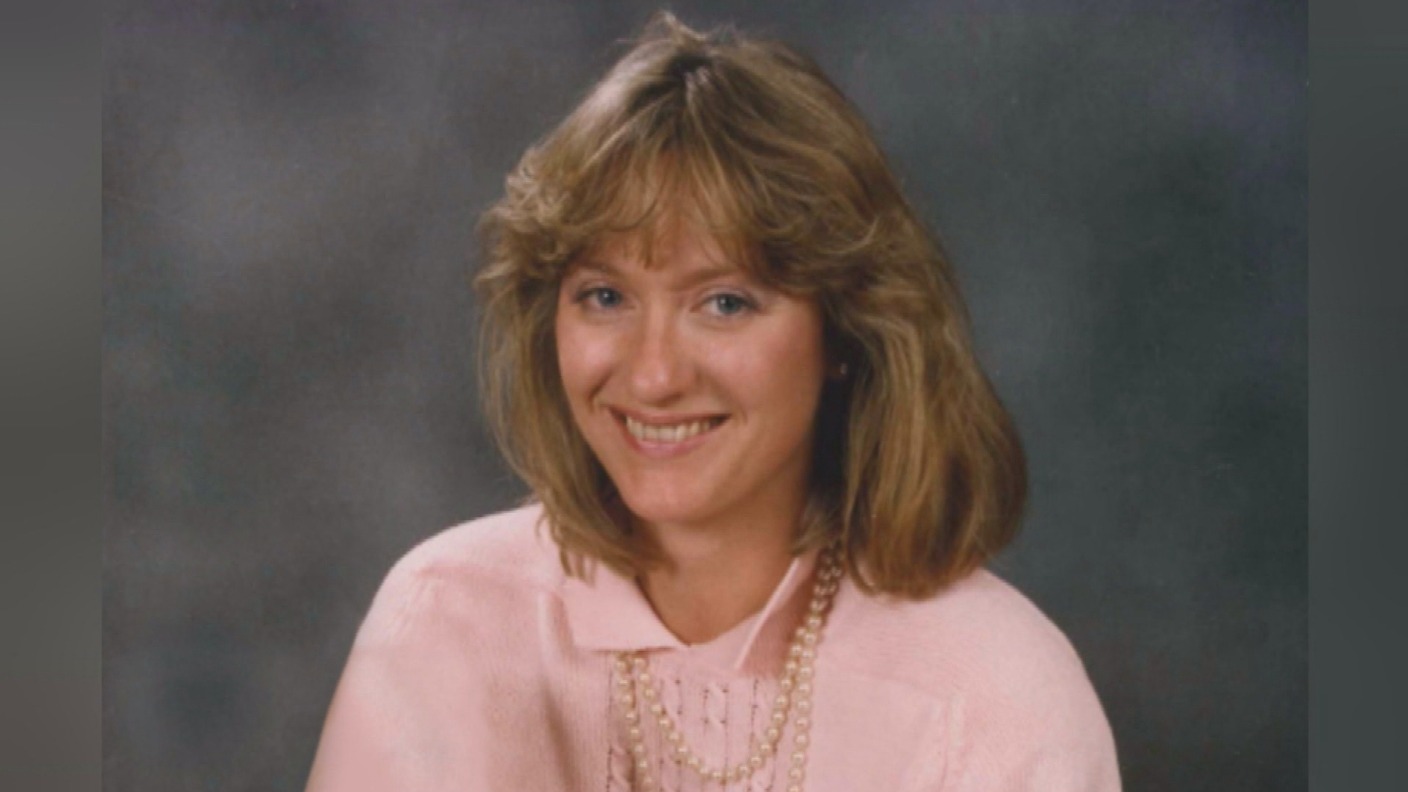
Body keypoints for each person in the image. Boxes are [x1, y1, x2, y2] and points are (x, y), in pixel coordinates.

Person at [306, 12, 1119, 792]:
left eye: (724, 303)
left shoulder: (991, 695)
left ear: (846, 331)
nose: (654, 375)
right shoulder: (443, 620)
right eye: (604, 297)